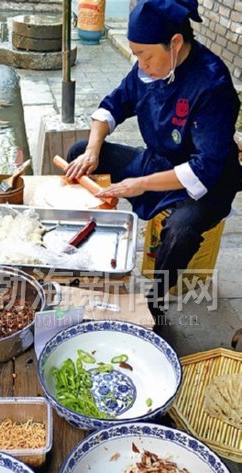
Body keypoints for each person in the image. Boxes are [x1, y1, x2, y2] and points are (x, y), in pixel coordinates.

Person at [65, 0, 241, 322]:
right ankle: (84, 250)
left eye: (145, 55)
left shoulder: (212, 84)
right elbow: (113, 105)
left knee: (180, 231)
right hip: (159, 162)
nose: (140, 63)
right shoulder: (149, 69)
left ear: (175, 43)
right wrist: (93, 149)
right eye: (136, 55)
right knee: (78, 153)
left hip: (207, 182)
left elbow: (205, 169)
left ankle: (155, 303)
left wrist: (139, 184)